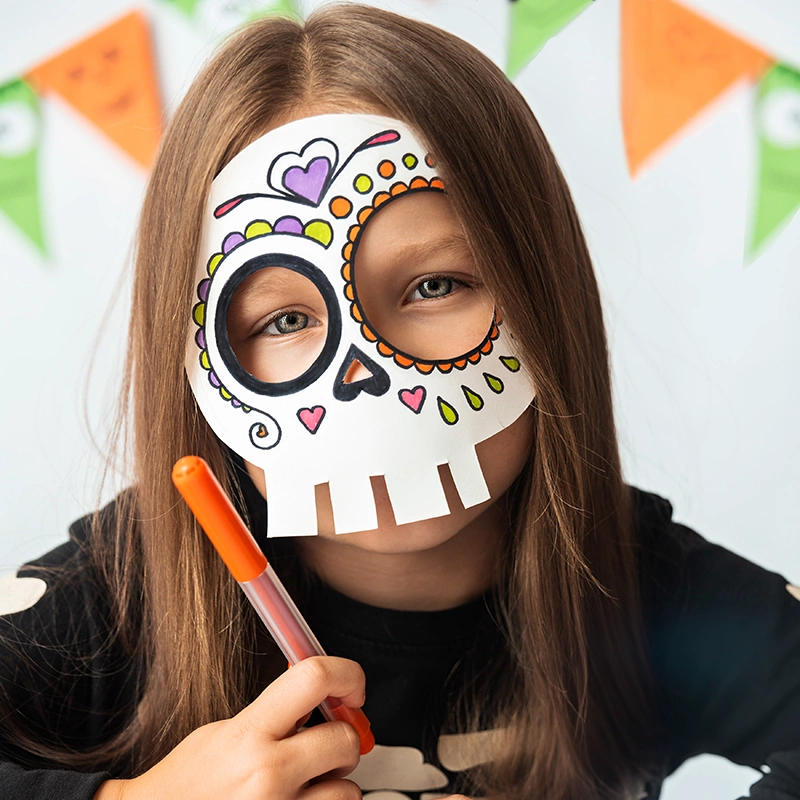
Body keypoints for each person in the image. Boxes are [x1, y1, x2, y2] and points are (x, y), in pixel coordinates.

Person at [1, 5, 798, 800]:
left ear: (544, 299)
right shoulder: (118, 599)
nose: (368, 373)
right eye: (284, 320)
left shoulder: (644, 590)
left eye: (436, 285)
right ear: (202, 360)